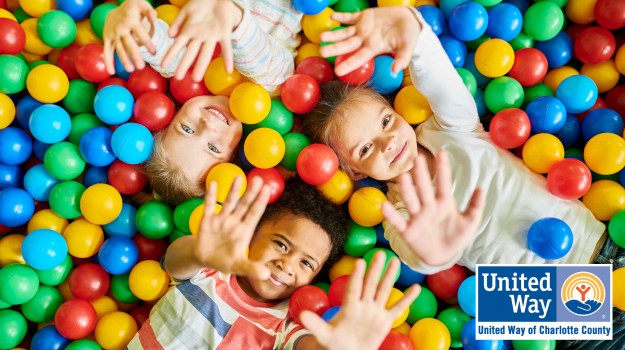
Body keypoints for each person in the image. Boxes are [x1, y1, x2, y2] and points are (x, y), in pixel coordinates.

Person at [303, 7, 625, 348]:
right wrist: (438, 250)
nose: (389, 143)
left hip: (598, 245)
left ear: (396, 111)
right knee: (497, 303)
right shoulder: (395, 216)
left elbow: (439, 79)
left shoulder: (449, 130)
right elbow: (424, 258)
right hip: (544, 304)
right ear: (353, 172)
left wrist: (415, 31)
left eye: (385, 122)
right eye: (365, 149)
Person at [126, 176, 420, 350]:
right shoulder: (212, 269)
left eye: (307, 264)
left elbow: (307, 345)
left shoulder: (285, 322)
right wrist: (200, 252)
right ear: (252, 234)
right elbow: (176, 264)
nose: (287, 264)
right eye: (281, 244)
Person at [102, 0, 301, 204]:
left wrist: (134, 26)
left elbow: (161, 49)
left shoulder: (191, 70)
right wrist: (232, 20)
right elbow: (266, 63)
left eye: (186, 129)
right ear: (234, 156)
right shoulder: (270, 90)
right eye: (213, 148)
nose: (207, 127)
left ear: (172, 115)